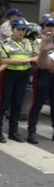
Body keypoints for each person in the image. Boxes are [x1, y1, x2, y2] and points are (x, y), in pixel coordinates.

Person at [28, 16, 54, 144]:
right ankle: (31, 131)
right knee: (37, 102)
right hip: (43, 73)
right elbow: (34, 57)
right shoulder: (38, 41)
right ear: (43, 28)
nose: (50, 28)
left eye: (52, 26)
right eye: (48, 26)